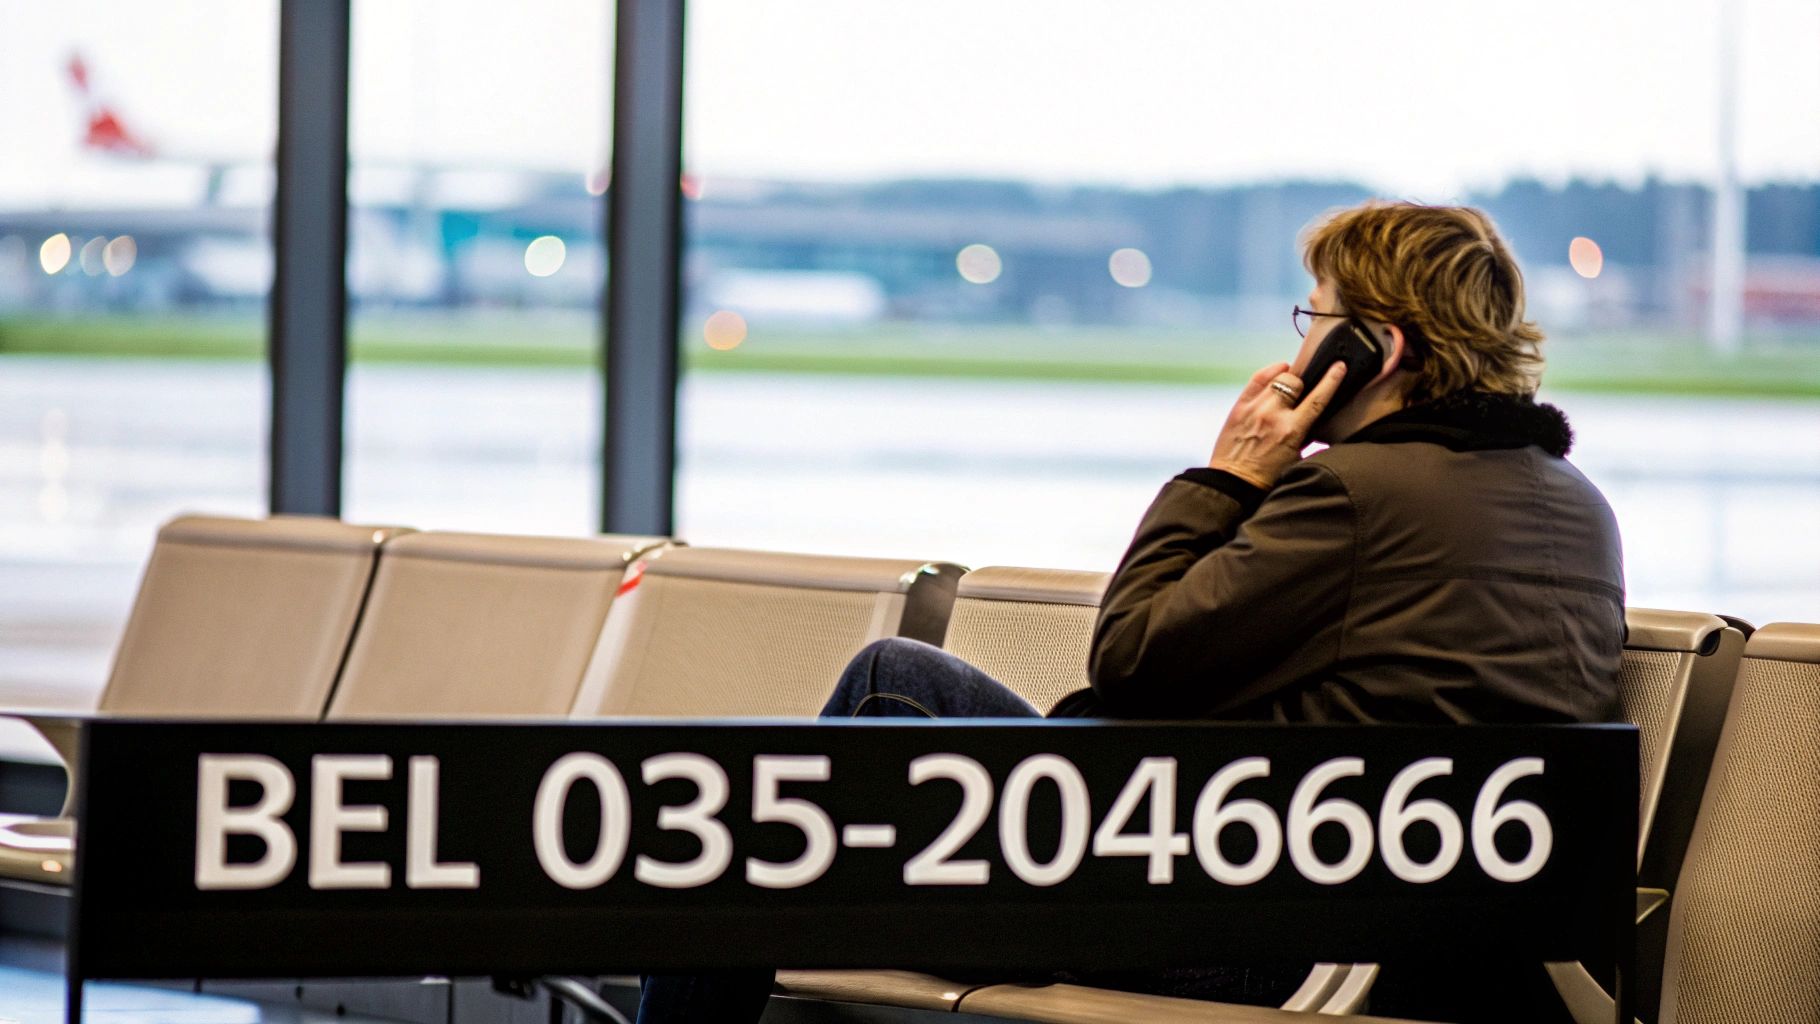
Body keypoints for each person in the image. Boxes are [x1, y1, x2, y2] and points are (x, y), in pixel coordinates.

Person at [636, 201, 1625, 1022]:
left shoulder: (1356, 496)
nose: (1296, 345)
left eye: (1313, 316)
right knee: (810, 834)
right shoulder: (1579, 508)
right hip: (1427, 925)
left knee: (838, 743)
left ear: (1374, 348)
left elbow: (1132, 653)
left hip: (1252, 930)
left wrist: (1228, 474)